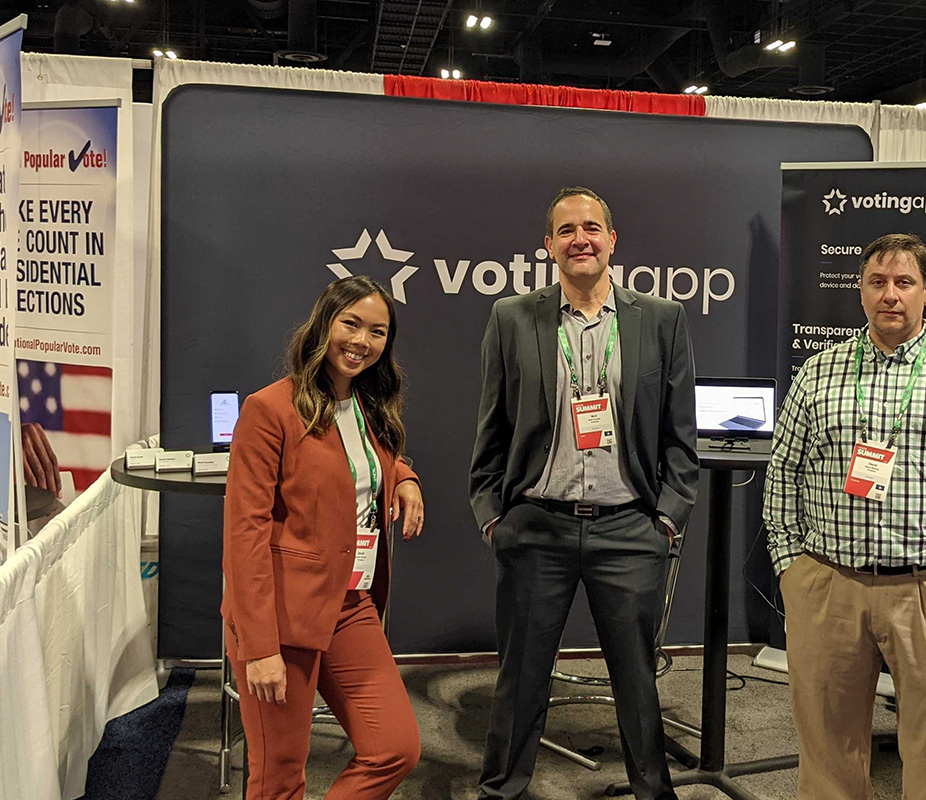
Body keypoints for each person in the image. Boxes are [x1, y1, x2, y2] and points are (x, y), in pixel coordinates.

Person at [763, 233, 926, 800]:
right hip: (828, 586)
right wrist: (791, 566)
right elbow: (783, 472)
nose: (890, 296)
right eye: (878, 282)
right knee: (827, 750)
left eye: (904, 283)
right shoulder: (817, 374)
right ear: (860, 290)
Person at [469, 186, 699, 800]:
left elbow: (681, 434)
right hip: (536, 530)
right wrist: (495, 516)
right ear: (549, 246)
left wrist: (668, 519)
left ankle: (655, 793)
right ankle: (502, 792)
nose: (581, 239)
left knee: (638, 684)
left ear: (612, 240)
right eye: (566, 230)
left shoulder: (661, 318)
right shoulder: (513, 317)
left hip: (629, 530)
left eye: (592, 227)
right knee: (519, 682)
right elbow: (491, 426)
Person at [223, 275, 425, 800]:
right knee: (278, 777)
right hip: (282, 613)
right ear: (323, 325)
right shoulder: (269, 410)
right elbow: (244, 534)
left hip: (350, 602)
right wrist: (259, 647)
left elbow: (362, 463)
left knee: (395, 748)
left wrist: (403, 477)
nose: (362, 341)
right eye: (350, 324)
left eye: (377, 332)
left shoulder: (368, 404)